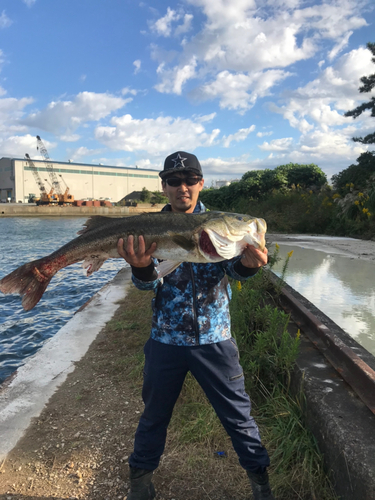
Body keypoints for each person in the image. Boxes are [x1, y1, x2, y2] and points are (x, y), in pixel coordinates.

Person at [117, 151, 275, 500]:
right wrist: (142, 267)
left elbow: (233, 271)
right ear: (164, 187)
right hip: (165, 340)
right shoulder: (149, 228)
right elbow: (147, 285)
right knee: (154, 417)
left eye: (190, 180)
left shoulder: (218, 226)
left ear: (201, 184)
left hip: (216, 340)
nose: (182, 187)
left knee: (238, 417)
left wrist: (249, 265)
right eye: (174, 181)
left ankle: (261, 485)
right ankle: (140, 485)